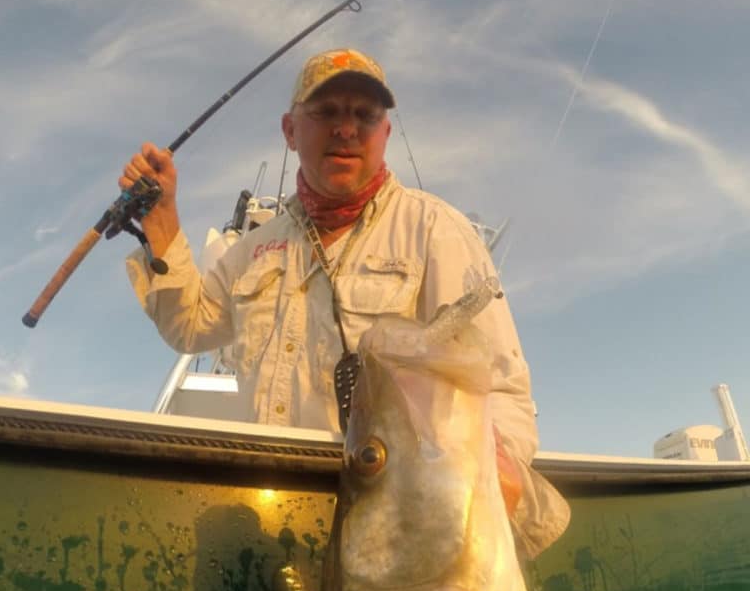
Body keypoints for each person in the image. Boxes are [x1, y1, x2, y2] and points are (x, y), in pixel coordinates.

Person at [122, 48, 568, 555]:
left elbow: (502, 388)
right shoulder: (253, 249)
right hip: (259, 526)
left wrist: (480, 502)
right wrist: (161, 219)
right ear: (290, 131)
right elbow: (191, 329)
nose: (346, 129)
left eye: (364, 115)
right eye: (326, 112)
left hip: (385, 532)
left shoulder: (435, 230)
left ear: (385, 134)